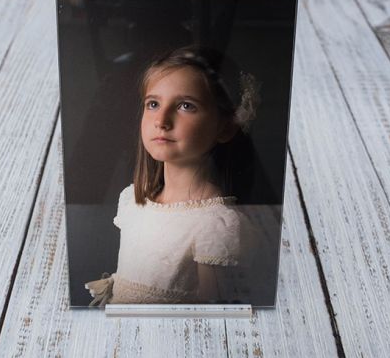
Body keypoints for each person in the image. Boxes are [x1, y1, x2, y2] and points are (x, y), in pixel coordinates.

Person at [85, 45, 262, 306]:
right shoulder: (133, 199)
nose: (161, 120)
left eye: (185, 105)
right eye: (153, 104)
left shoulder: (213, 224)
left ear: (225, 127)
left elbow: (210, 312)